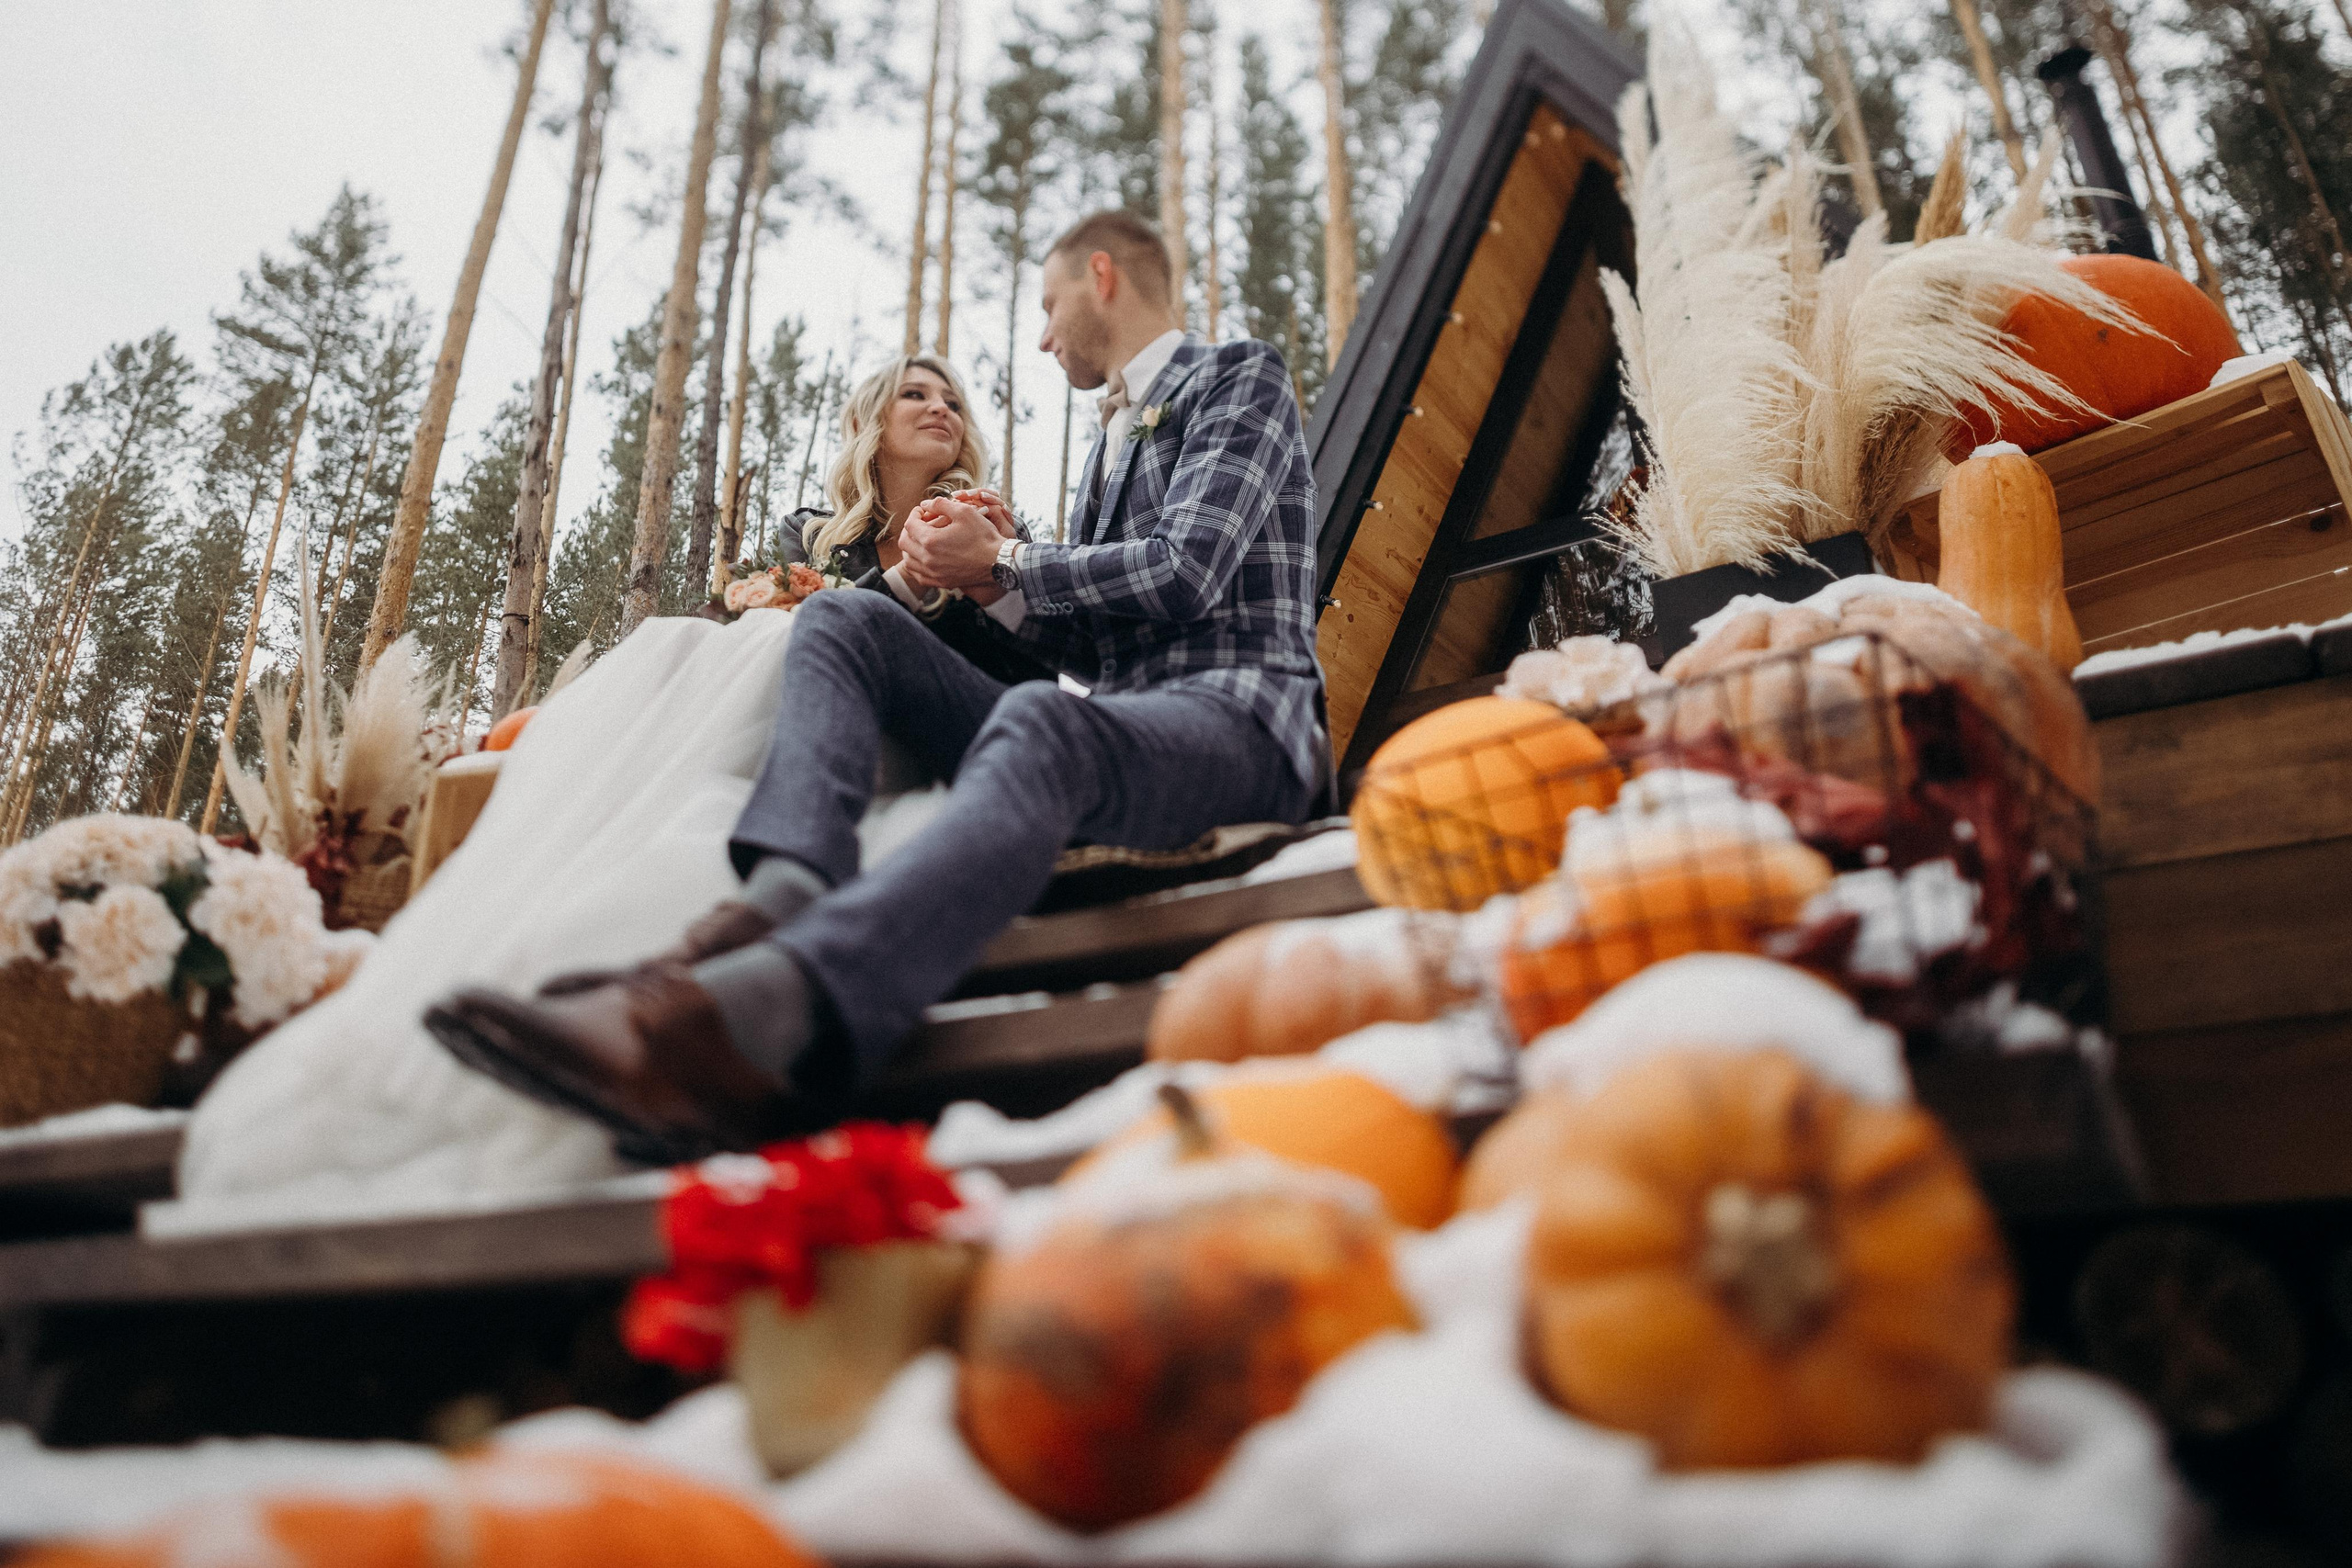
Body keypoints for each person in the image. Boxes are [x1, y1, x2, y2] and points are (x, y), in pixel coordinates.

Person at [424, 209, 1325, 1160]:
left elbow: (1187, 571)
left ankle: (754, 1020)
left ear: (1101, 277)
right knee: (844, 620)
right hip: (1133, 733)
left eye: (1048, 305)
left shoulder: (1236, 377)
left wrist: (1006, 559)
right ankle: (779, 895)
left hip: (1242, 726)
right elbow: (1099, 658)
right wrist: (987, 585)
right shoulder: (1105, 450)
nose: (1043, 336)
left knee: (1038, 716)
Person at [750, 354, 1051, 688]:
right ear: (862, 423)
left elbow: (1039, 681)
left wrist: (997, 589)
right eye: (914, 394)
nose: (941, 408)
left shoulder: (997, 532)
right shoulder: (807, 533)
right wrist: (911, 575)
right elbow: (789, 656)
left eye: (953, 404)